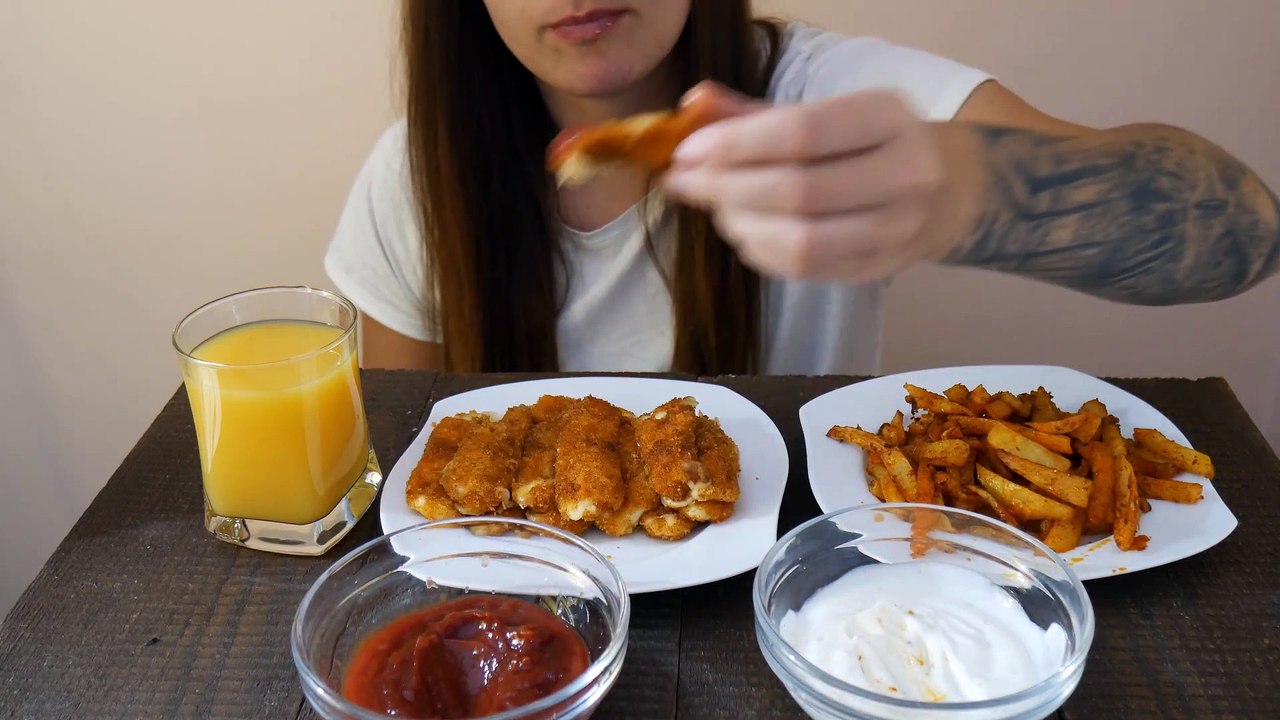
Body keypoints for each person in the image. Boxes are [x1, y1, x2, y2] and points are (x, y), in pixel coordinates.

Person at [326, 1, 1280, 375]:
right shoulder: (414, 176)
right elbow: (412, 472)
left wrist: (967, 193)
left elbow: (1241, 231)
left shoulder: (826, 96)